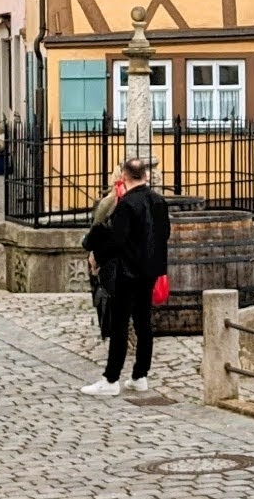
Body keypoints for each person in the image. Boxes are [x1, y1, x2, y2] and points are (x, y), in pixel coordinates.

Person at [82, 158, 170, 396]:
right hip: (149, 271)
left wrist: (96, 256)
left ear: (124, 176)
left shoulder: (127, 204)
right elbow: (165, 234)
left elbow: (116, 240)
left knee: (119, 325)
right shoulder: (159, 201)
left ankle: (111, 380)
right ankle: (140, 375)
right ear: (146, 176)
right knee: (144, 324)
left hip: (127, 272)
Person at [81, 170, 131, 341]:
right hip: (123, 259)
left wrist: (93, 255)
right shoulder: (121, 201)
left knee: (108, 293)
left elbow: (95, 232)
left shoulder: (109, 202)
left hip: (110, 259)